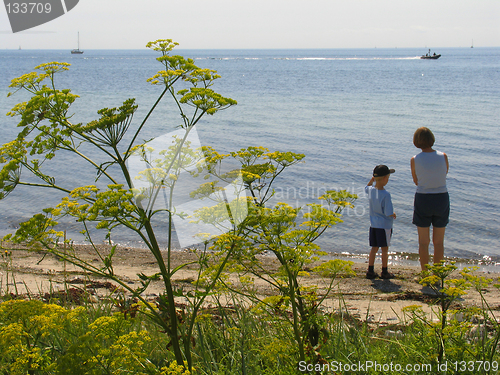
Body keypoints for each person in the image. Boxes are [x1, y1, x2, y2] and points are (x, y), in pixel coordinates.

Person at [410, 127, 449, 271]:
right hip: (441, 198)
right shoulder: (443, 156)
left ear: (417, 141)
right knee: (439, 242)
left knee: (423, 241)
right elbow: (444, 174)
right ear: (432, 139)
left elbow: (416, 181)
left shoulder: (415, 159)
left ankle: (425, 273)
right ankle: (438, 273)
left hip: (423, 198)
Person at [365, 165, 396, 279]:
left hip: (373, 225)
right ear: (385, 179)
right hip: (384, 226)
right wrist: (393, 214)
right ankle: (384, 271)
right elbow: (388, 212)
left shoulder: (371, 191)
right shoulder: (386, 195)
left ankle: (370, 270)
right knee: (385, 249)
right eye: (388, 177)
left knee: (374, 248)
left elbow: (366, 187)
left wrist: (371, 180)